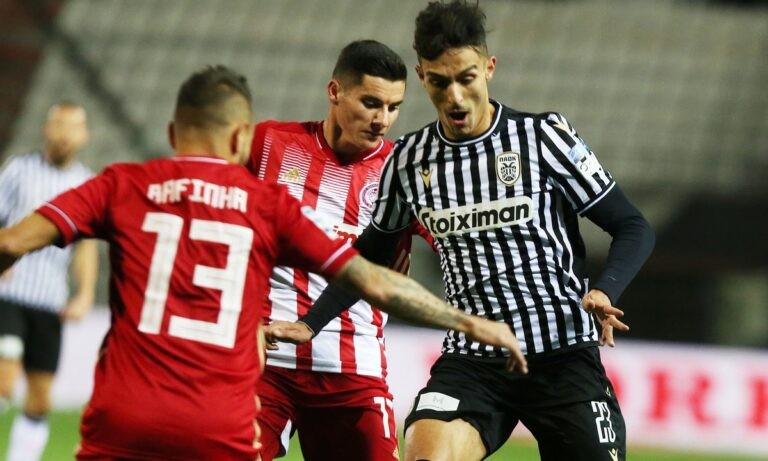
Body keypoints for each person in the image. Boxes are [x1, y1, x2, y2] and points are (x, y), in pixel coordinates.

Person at [0, 64, 526, 460]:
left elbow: (11, 242)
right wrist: (471, 322)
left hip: (128, 415)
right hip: (221, 416)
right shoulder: (266, 205)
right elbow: (374, 280)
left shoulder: (121, 184)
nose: (381, 118)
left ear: (172, 132)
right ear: (240, 139)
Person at [267, 2, 655, 460]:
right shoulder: (408, 160)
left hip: (562, 353)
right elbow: (370, 257)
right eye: (439, 81)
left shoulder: (543, 137)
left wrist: (606, 289)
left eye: (466, 78)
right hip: (472, 364)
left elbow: (632, 225)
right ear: (421, 76)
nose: (454, 96)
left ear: (489, 68)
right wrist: (310, 324)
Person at [249, 40, 434, 461]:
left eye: (393, 107)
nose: (382, 119)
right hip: (266, 361)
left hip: (353, 369)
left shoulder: (403, 172)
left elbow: (454, 244)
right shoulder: (269, 144)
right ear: (335, 92)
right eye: (371, 103)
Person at [0, 102, 97, 461]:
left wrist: (84, 293)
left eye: (72, 126)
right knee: (4, 379)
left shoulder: (87, 184)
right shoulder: (19, 170)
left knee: (40, 399)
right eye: (58, 124)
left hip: (50, 301)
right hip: (9, 293)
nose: (64, 134)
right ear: (45, 129)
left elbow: (85, 246)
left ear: (84, 135)